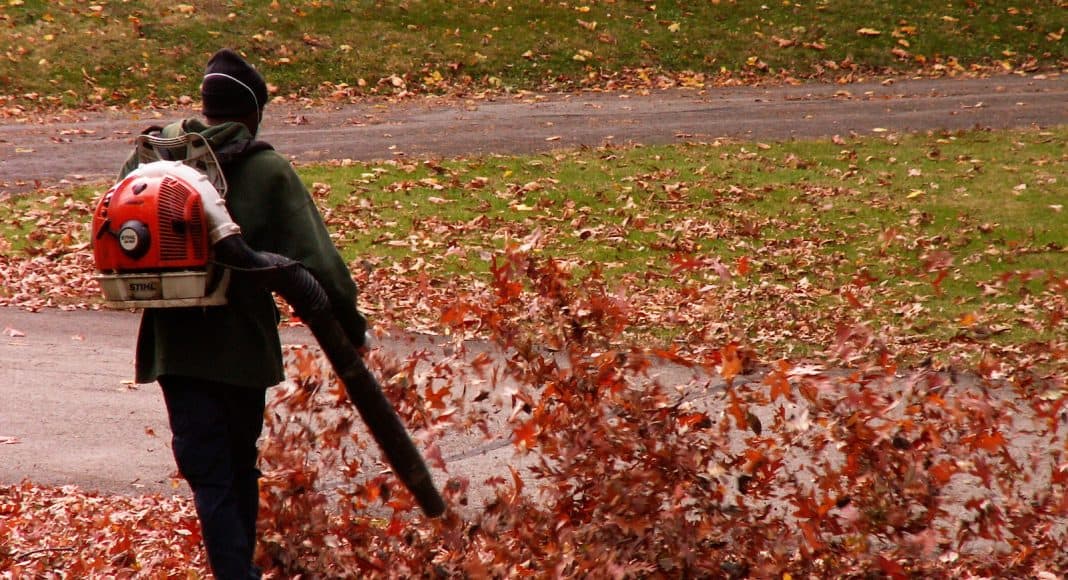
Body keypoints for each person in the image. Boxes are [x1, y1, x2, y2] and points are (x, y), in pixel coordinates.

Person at [118, 48, 368, 579]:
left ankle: (237, 570)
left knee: (210, 474)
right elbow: (318, 262)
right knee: (234, 467)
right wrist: (353, 329)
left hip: (173, 348)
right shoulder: (267, 169)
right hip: (242, 350)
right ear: (252, 114)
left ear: (206, 108)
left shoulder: (153, 158)